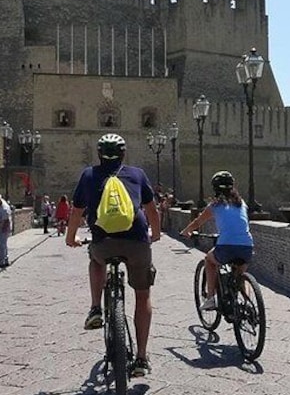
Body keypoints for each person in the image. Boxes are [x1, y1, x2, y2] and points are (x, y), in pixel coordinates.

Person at [66, 133, 161, 377]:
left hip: (103, 240)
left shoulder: (88, 175)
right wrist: (156, 234)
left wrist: (70, 238)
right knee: (143, 295)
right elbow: (152, 210)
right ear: (123, 154)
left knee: (95, 259)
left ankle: (96, 307)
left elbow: (76, 212)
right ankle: (141, 357)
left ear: (99, 154)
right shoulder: (137, 174)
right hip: (137, 240)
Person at [180, 171, 253, 310]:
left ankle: (210, 298)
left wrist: (186, 231)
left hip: (226, 246)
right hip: (247, 246)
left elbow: (198, 221)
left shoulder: (214, 206)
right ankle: (247, 303)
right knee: (240, 275)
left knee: (209, 260)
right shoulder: (241, 203)